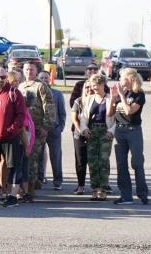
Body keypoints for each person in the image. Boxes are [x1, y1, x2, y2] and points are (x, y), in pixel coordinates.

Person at [0, 65, 26, 207]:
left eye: (3, 77)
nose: (0, 80)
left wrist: (11, 130)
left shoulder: (14, 93)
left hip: (10, 137)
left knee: (14, 166)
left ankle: (13, 196)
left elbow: (21, 115)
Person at [17, 61, 56, 200]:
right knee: (22, 159)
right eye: (27, 69)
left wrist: (46, 126)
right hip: (23, 128)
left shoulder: (41, 86)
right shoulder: (21, 86)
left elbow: (49, 106)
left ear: (36, 71)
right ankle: (22, 188)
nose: (29, 72)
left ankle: (31, 189)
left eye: (32, 70)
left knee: (32, 159)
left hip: (37, 129)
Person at [110, 68, 148, 205]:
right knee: (121, 164)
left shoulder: (139, 94)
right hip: (120, 130)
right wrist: (113, 98)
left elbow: (129, 111)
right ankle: (126, 196)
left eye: (122, 78)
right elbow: (110, 113)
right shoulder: (122, 93)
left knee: (137, 163)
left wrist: (121, 96)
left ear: (130, 79)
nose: (119, 80)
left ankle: (142, 194)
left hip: (134, 131)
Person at [76, 73, 114, 201]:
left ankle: (103, 189)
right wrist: (84, 129)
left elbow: (117, 120)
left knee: (103, 160)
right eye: (92, 85)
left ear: (103, 84)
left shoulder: (110, 98)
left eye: (96, 85)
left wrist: (111, 131)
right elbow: (83, 117)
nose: (93, 87)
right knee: (92, 161)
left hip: (105, 131)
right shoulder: (90, 99)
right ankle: (94, 189)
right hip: (92, 131)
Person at [68, 62, 98, 194]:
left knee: (95, 160)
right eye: (89, 69)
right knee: (80, 160)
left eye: (94, 69)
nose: (89, 90)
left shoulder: (101, 95)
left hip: (96, 132)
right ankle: (80, 185)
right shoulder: (78, 98)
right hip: (79, 133)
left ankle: (97, 186)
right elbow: (73, 114)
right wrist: (81, 130)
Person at [36, 70, 66, 190]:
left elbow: (62, 113)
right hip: (39, 130)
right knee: (38, 156)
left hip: (54, 130)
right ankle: (39, 179)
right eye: (41, 77)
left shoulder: (57, 94)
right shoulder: (35, 93)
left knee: (56, 156)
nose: (44, 80)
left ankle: (57, 181)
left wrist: (60, 127)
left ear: (50, 79)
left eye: (46, 78)